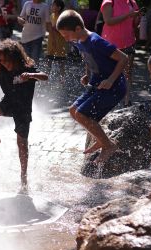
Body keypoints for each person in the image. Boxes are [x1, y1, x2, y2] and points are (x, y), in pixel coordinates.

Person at [0, 39, 48, 191]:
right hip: (8, 103)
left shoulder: (27, 68)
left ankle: (23, 176)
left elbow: (45, 76)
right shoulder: (1, 71)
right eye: (1, 60)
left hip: (23, 110)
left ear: (15, 57)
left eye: (7, 60)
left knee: (22, 144)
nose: (4, 63)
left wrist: (32, 76)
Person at [56, 10, 128, 163]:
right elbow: (88, 59)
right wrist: (87, 74)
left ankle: (108, 146)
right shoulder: (79, 42)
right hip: (97, 84)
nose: (66, 39)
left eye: (66, 35)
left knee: (82, 114)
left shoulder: (96, 41)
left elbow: (123, 58)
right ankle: (101, 140)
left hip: (114, 87)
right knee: (73, 110)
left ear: (77, 29)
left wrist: (110, 80)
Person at [100, 0, 141, 107]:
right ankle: (110, 101)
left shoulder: (132, 3)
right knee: (111, 73)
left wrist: (137, 18)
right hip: (111, 45)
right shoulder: (109, 2)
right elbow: (108, 21)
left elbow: (134, 24)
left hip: (129, 42)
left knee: (128, 73)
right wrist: (128, 15)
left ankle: (127, 101)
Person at [18, 0, 51, 65]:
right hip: (26, 36)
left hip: (38, 36)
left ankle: (34, 74)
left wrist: (52, 35)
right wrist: (20, 20)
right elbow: (21, 17)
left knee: (34, 59)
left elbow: (48, 22)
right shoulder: (27, 3)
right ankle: (27, 74)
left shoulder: (45, 6)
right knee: (25, 58)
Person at [46, 0, 68, 82]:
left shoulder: (62, 17)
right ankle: (46, 77)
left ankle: (62, 79)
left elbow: (64, 30)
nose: (51, 7)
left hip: (60, 43)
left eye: (53, 5)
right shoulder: (51, 16)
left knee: (61, 62)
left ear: (58, 8)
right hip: (51, 41)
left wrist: (56, 28)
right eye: (52, 5)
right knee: (49, 60)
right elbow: (49, 28)